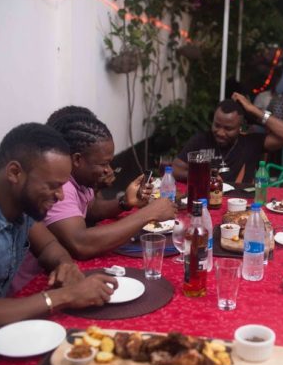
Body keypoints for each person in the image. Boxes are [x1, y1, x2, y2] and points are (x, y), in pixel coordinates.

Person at [0, 124, 117, 359]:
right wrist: (66, 296)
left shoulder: (18, 203)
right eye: (53, 185)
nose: (60, 196)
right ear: (15, 173)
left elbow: (48, 246)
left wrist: (64, 264)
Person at [31, 108, 177, 261]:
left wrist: (124, 202)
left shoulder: (80, 179)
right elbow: (81, 244)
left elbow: (91, 208)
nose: (109, 170)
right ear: (77, 160)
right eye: (103, 164)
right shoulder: (61, 187)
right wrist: (150, 213)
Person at [172, 93, 283, 183]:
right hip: (206, 201)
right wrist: (201, 176)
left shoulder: (251, 142)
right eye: (217, 125)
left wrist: (253, 109)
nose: (220, 132)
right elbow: (176, 169)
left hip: (240, 204)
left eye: (228, 128)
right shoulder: (201, 140)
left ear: (240, 128)